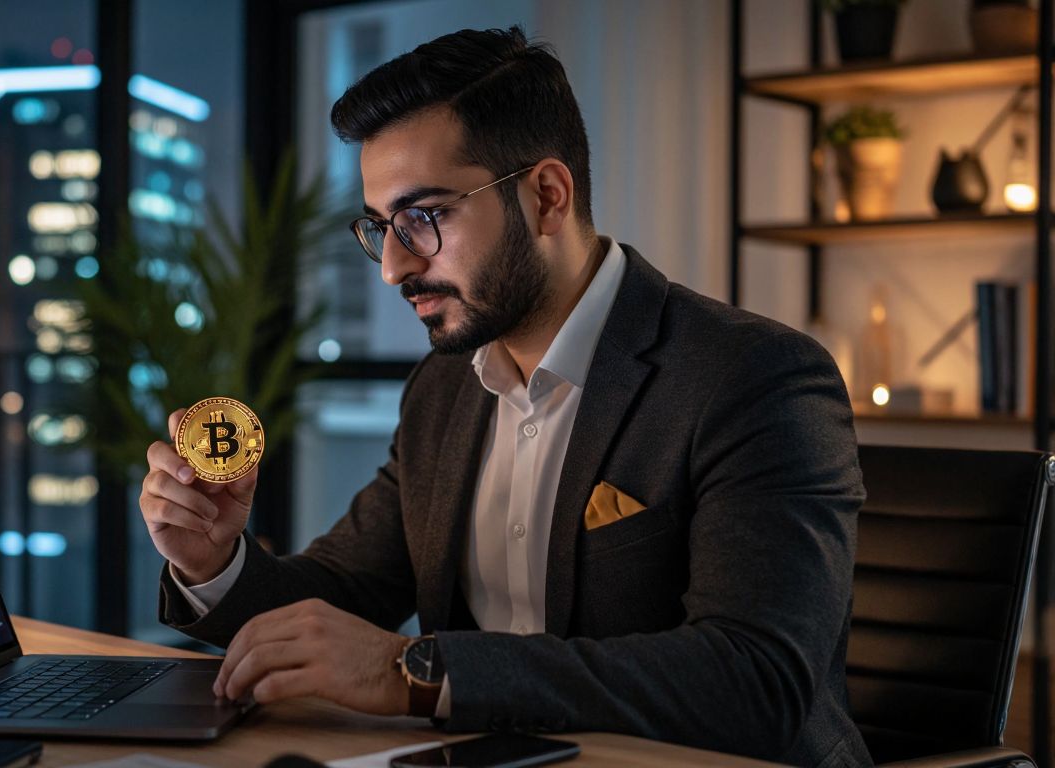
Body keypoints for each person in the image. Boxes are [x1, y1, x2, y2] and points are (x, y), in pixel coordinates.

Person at [138, 26, 870, 767]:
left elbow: (757, 680)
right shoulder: (443, 388)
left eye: (424, 218)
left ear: (547, 197)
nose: (393, 268)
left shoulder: (754, 376)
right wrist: (213, 561)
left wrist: (415, 673)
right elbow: (343, 594)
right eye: (383, 227)